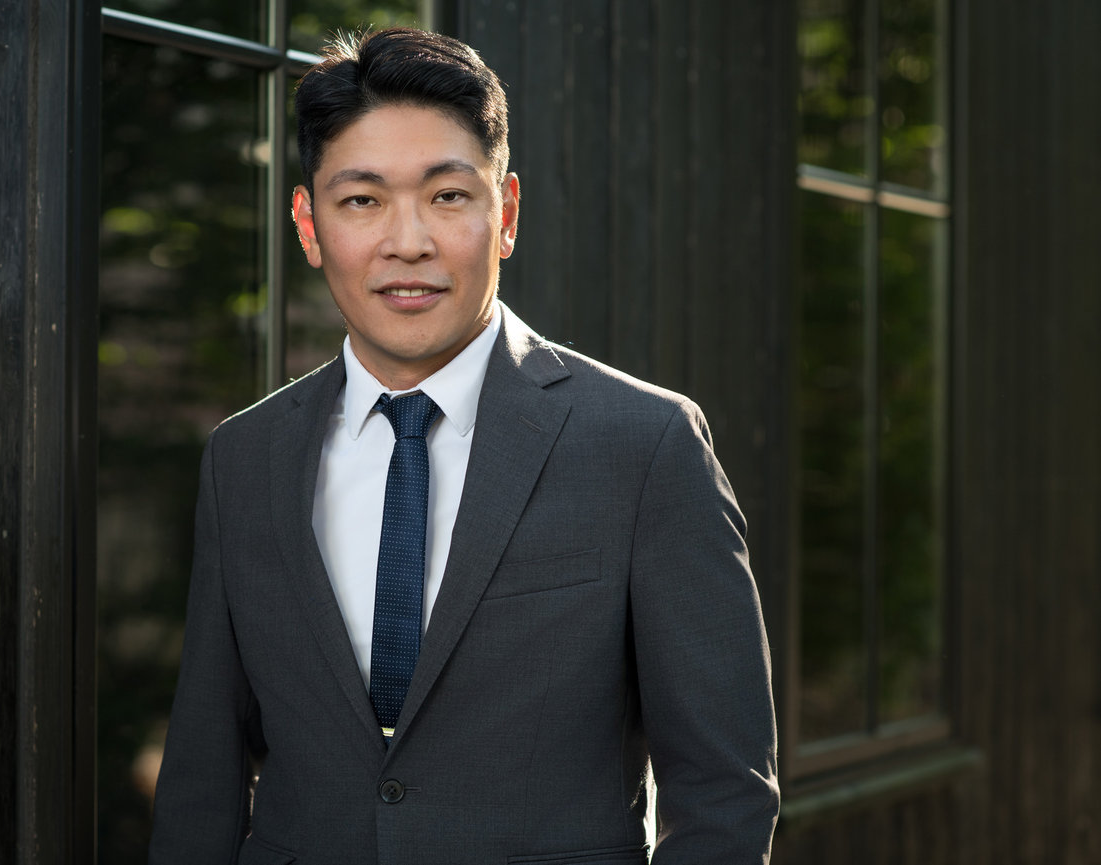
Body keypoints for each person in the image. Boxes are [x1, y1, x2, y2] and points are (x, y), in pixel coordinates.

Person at [149, 27, 778, 865]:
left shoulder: (643, 443)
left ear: (504, 213)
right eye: (361, 201)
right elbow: (203, 774)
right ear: (307, 224)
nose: (407, 241)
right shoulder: (244, 456)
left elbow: (724, 794)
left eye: (447, 196)